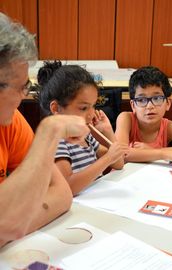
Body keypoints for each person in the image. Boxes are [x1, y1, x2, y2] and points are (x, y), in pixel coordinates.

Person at [0, 12, 90, 247]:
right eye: (21, 87)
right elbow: (9, 223)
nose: (24, 95)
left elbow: (61, 194)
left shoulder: (11, 122)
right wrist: (48, 134)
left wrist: (11, 223)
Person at [37, 61, 128, 195]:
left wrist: (108, 131)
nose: (91, 113)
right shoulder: (55, 141)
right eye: (84, 108)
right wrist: (108, 158)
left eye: (93, 106)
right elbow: (68, 187)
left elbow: (118, 164)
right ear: (56, 108)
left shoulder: (85, 135)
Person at [115, 66, 172, 166]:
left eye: (157, 98)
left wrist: (154, 151)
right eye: (141, 100)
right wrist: (163, 153)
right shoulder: (126, 119)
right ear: (133, 105)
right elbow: (120, 154)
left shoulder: (168, 126)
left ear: (168, 103)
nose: (149, 106)